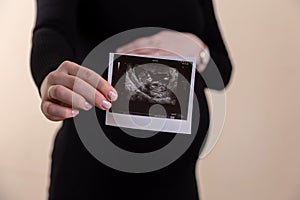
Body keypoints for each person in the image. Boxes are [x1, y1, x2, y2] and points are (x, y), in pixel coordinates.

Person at [30, 0, 232, 199]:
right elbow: (51, 30)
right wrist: (50, 72)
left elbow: (222, 72)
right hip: (93, 173)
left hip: (178, 178)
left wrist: (199, 51)